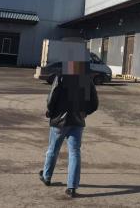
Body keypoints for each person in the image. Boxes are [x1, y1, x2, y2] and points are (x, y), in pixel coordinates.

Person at [39, 60, 99, 198]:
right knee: (74, 153)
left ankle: (47, 177)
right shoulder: (86, 79)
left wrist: (50, 111)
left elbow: (52, 98)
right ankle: (71, 187)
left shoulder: (62, 76)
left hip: (60, 121)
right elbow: (94, 103)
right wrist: (85, 112)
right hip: (77, 121)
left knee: (53, 149)